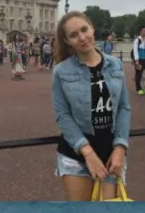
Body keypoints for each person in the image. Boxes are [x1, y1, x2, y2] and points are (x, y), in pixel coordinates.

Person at [52, 11, 130, 201]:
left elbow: (123, 108)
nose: (82, 37)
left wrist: (120, 147)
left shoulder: (116, 65)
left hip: (111, 153)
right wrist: (88, 153)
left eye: (84, 29)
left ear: (92, 28)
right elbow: (63, 115)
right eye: (73, 35)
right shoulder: (61, 71)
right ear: (67, 41)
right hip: (76, 154)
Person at [132, 27, 145, 95]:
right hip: (139, 60)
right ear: (140, 32)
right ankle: (138, 89)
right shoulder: (137, 40)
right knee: (138, 75)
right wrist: (136, 60)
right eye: (143, 31)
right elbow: (135, 51)